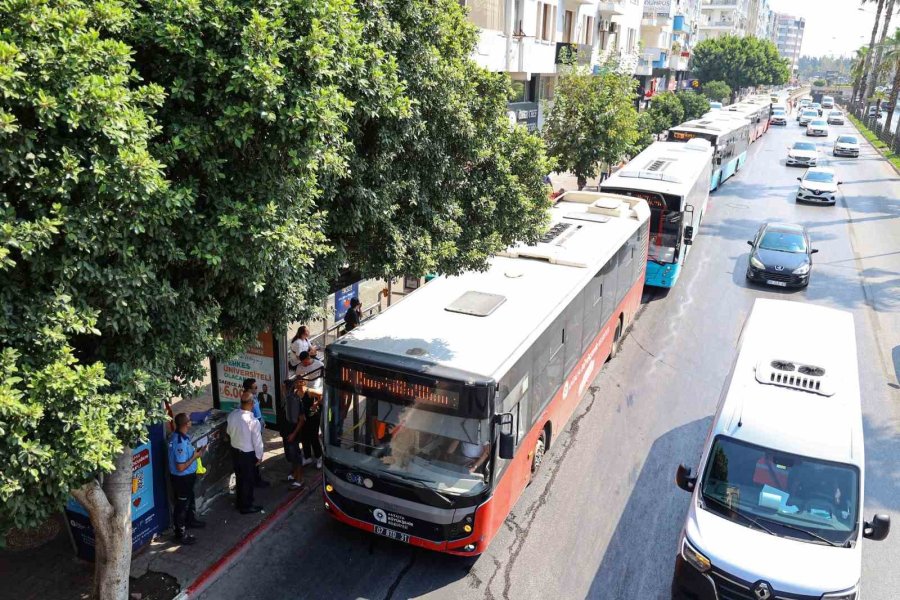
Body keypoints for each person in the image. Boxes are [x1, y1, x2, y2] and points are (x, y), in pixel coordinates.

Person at [168, 413, 206, 544]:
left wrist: (196, 453)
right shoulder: (179, 442)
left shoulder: (181, 436)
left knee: (189, 500)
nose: (191, 422)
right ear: (186, 424)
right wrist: (195, 457)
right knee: (181, 506)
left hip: (188, 477)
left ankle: (190, 520)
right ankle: (180, 534)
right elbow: (180, 467)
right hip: (182, 479)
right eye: (189, 420)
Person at [226, 392, 264, 514]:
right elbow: (257, 442)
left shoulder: (232, 415)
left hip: (235, 451)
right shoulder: (253, 422)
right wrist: (259, 456)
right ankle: (246, 506)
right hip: (247, 454)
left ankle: (240, 502)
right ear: (251, 403)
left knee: (240, 477)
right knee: (248, 480)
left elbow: (228, 431)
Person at [295, 351, 325, 468]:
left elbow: (322, 393)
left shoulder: (319, 365)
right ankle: (307, 456)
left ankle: (319, 456)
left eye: (306, 362)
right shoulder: (299, 368)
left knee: (313, 434)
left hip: (315, 401)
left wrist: (316, 404)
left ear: (309, 358)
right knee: (304, 434)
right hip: (304, 405)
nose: (305, 365)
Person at [242, 378, 270, 487]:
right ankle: (256, 479)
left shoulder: (253, 397)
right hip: (254, 431)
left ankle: (255, 478)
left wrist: (262, 421)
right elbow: (256, 416)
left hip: (257, 428)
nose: (257, 389)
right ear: (249, 389)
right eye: (255, 387)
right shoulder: (249, 400)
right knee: (256, 455)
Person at [281, 377, 307, 490]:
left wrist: (293, 434)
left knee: (296, 457)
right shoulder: (287, 399)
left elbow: (302, 419)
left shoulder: (295, 400)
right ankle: (294, 475)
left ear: (287, 388)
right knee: (291, 457)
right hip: (286, 433)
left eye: (284, 387)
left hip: (292, 435)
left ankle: (300, 480)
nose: (282, 389)